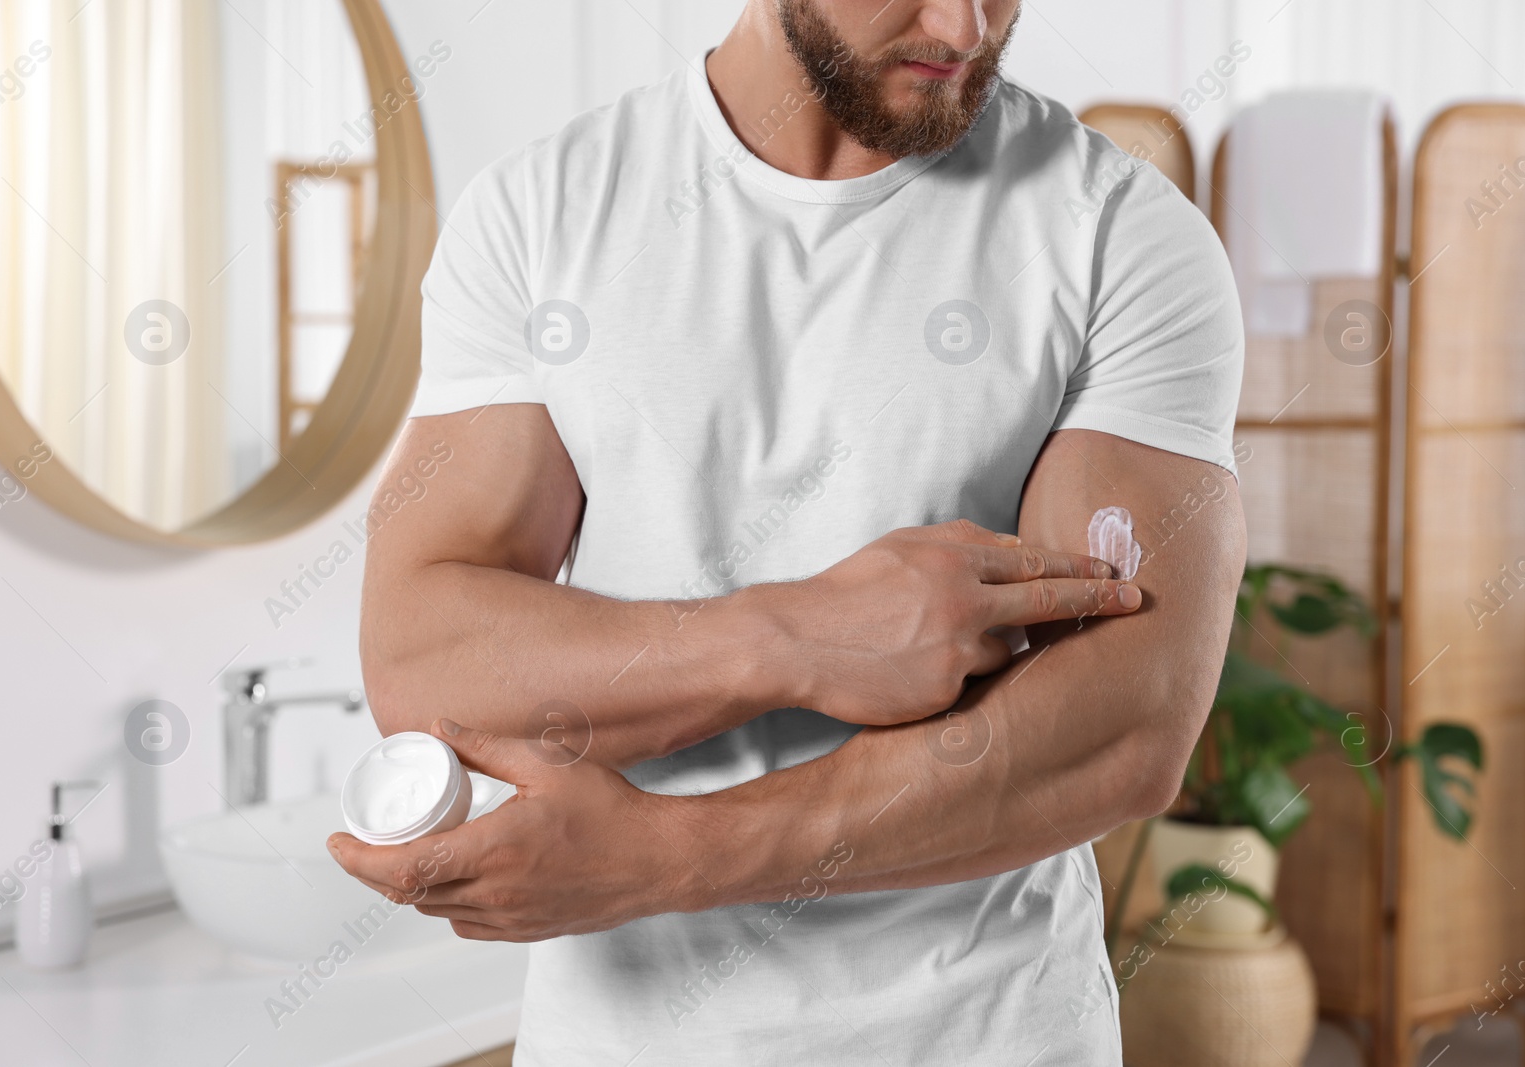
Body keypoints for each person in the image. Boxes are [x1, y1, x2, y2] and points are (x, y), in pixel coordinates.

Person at [328, 0, 1246, 1061]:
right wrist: (797, 638)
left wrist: (670, 854)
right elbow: (426, 659)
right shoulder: (541, 215)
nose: (961, 22)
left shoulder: (1119, 234)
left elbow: (1122, 731)